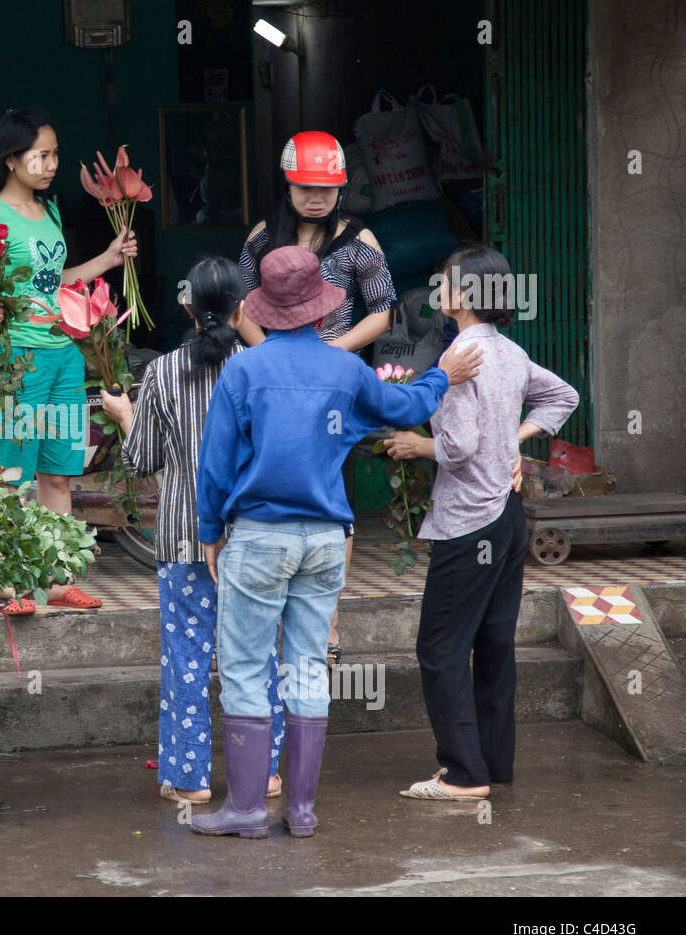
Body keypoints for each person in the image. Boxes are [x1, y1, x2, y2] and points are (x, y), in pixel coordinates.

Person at [191, 245, 480, 839]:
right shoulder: (344, 369)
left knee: (247, 668)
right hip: (326, 539)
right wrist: (441, 376)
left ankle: (246, 809)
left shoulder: (244, 370)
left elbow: (215, 464)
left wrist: (209, 532)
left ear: (262, 311)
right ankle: (300, 810)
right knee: (307, 669)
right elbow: (405, 405)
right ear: (323, 313)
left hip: (261, 537)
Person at [385, 245, 578, 800]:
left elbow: (460, 444)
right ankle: (493, 766)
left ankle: (464, 775)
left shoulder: (458, 357)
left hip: (468, 520)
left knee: (440, 647)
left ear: (464, 295)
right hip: (509, 520)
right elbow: (563, 396)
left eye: (443, 280)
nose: (437, 285)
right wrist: (512, 442)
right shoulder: (510, 352)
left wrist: (420, 443)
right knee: (494, 643)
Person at [101, 257, 284, 805]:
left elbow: (143, 459)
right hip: (252, 534)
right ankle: (266, 774)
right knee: (256, 657)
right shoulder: (261, 367)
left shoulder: (159, 373)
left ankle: (188, 780)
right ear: (242, 307)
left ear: (186, 307)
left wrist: (124, 415)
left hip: (182, 535)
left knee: (186, 658)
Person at [238, 131, 408, 663]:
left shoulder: (363, 241)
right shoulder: (263, 239)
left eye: (327, 188)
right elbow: (240, 306)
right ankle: (269, 625)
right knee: (270, 489)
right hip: (271, 385)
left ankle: (328, 625)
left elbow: (383, 313)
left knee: (336, 499)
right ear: (288, 184)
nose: (316, 197)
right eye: (306, 187)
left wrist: (330, 352)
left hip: (337, 388)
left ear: (342, 188)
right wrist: (275, 360)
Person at [0, 107, 137, 612]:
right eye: (43, 154)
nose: (52, 163)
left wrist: (107, 258)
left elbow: (54, 281)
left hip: (64, 356)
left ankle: (58, 580)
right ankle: (13, 584)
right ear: (13, 159)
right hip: (17, 360)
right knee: (14, 475)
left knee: (59, 475)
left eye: (55, 154)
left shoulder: (52, 212)